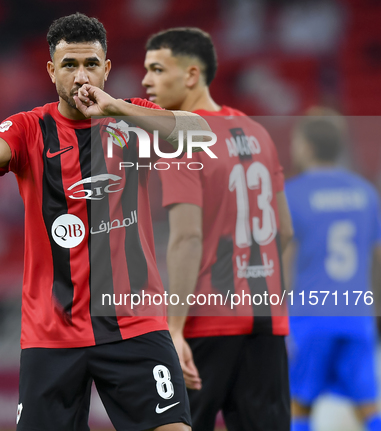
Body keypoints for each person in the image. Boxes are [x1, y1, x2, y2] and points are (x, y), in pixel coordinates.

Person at [0, 13, 211, 431]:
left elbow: (200, 134)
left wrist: (115, 107)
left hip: (134, 326)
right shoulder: (32, 128)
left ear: (106, 68)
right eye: (69, 65)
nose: (81, 76)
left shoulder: (133, 118)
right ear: (52, 72)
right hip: (53, 335)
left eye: (90, 65)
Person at [142, 28, 294, 430]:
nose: (146, 81)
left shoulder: (182, 139)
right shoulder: (257, 132)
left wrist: (173, 329)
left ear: (191, 75)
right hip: (266, 322)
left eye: (157, 69)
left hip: (207, 319)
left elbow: (187, 237)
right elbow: (287, 234)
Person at [285, 114, 381, 431]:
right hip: (357, 315)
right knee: (369, 408)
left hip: (310, 316)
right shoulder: (364, 192)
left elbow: (285, 261)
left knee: (300, 405)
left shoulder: (292, 193)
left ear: (308, 147)